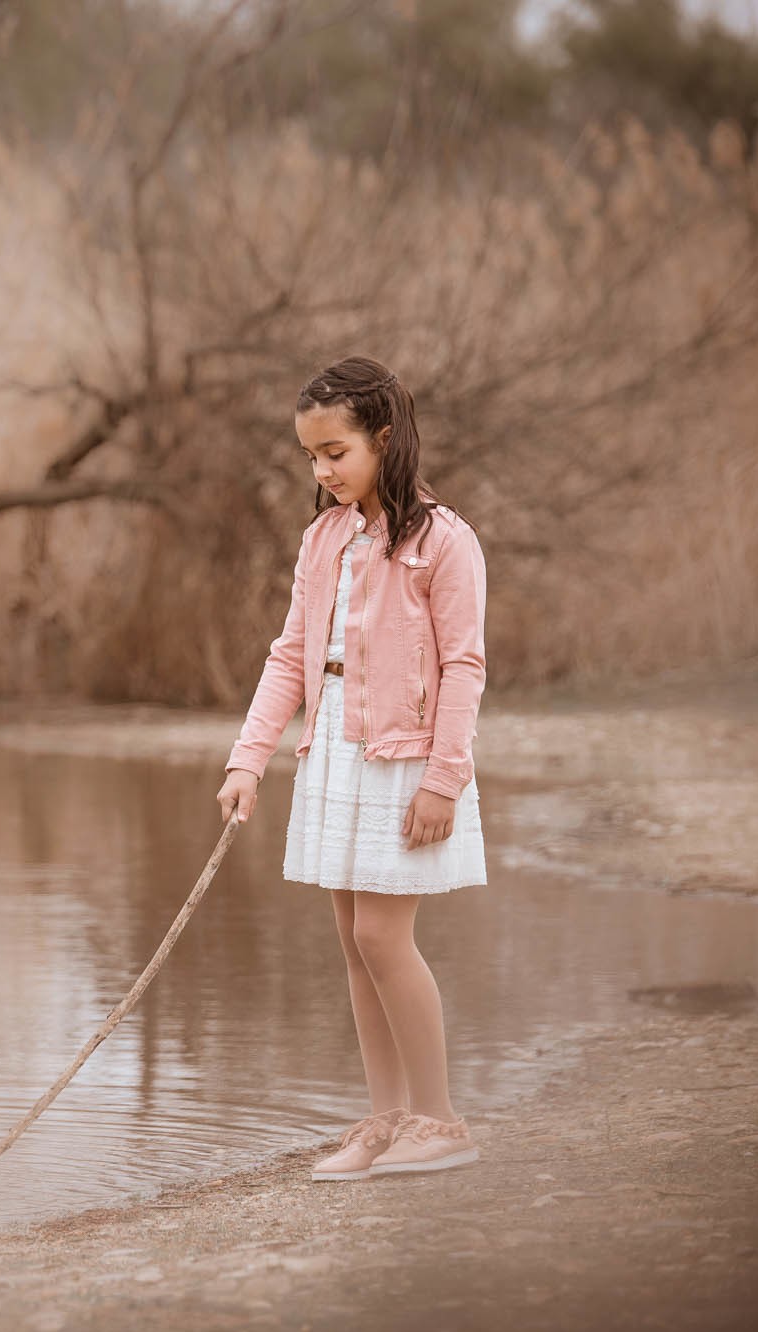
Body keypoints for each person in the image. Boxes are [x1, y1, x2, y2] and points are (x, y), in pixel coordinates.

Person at [214, 355, 488, 1180]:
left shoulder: (444, 540)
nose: (322, 470)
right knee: (353, 942)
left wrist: (445, 776)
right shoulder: (323, 537)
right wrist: (248, 760)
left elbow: (466, 665)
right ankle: (385, 1117)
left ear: (385, 436)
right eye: (310, 456)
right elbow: (292, 656)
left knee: (382, 933)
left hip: (406, 757)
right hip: (332, 746)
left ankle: (440, 1121)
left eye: (335, 451)